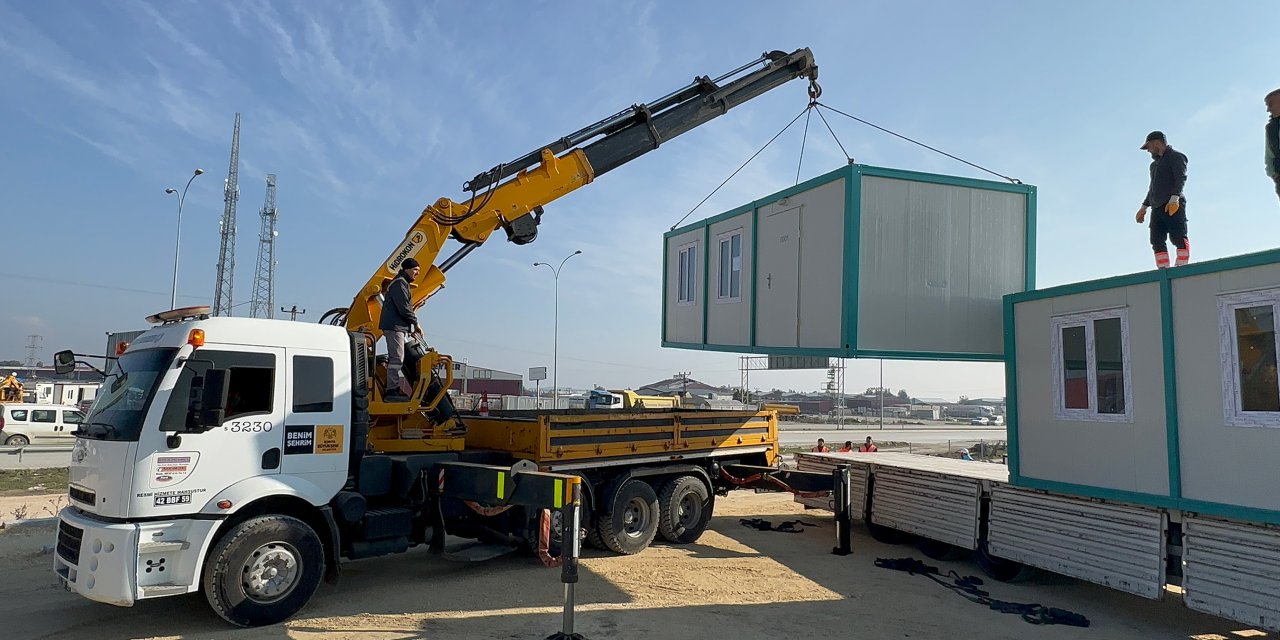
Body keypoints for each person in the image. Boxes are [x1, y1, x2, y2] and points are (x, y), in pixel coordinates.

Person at [1135, 131, 1190, 268]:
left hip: (1172, 204)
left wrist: (1175, 198)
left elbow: (1180, 178)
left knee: (1177, 236)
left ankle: (1182, 267)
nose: (1148, 150)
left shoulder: (1176, 157)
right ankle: (1163, 269)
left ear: (1157, 143)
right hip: (1157, 206)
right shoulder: (1154, 166)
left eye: (1149, 147)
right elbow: (1152, 188)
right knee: (1156, 239)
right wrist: (1144, 207)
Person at [379, 257, 421, 402]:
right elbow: (404, 308)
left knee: (398, 357)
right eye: (415, 270)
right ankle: (392, 390)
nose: (417, 273)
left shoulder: (401, 284)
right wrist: (415, 323)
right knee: (397, 358)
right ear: (406, 269)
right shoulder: (399, 284)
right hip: (394, 327)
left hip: (398, 326)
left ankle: (393, 388)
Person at [1266, 89, 1280, 202]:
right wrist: (1274, 176)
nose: (1268, 109)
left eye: (1270, 104)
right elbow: (1269, 154)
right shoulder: (1271, 128)